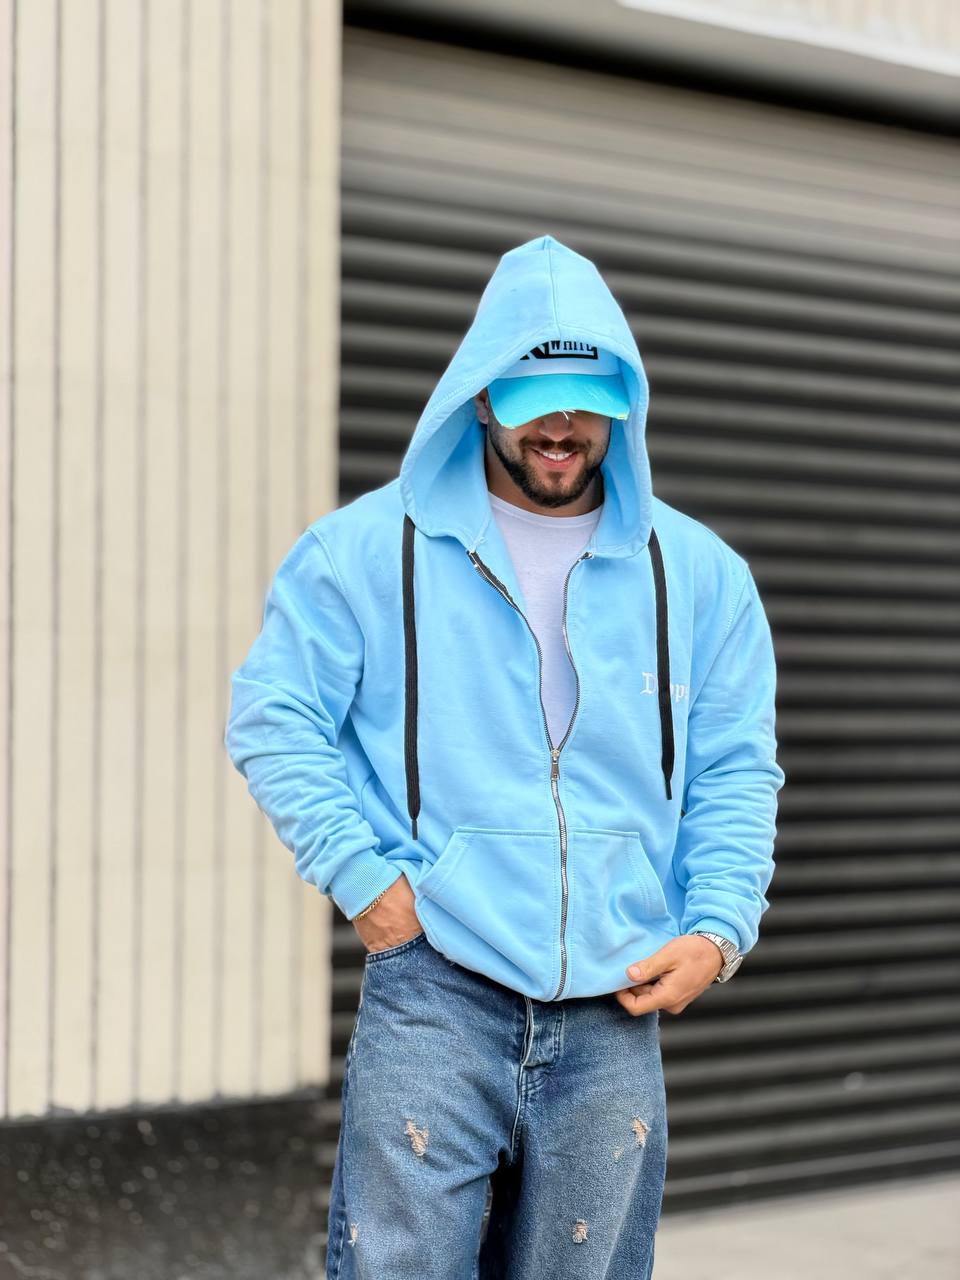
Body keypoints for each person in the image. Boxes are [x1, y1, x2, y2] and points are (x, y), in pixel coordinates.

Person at [224, 234, 785, 1278]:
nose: (560, 426)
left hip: (615, 998)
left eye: (587, 398)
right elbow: (273, 714)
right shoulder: (363, 550)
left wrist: (719, 926)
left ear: (623, 403)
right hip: (437, 983)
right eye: (534, 399)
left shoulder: (701, 575)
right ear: (480, 396)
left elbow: (736, 765)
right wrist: (367, 883)